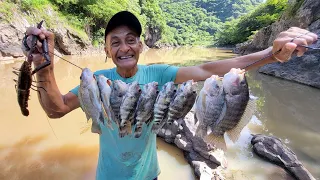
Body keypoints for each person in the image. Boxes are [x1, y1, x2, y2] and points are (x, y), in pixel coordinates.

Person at [24, 11, 318, 180]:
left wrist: (270, 54)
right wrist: (42, 63)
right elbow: (57, 109)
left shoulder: (159, 74)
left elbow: (206, 69)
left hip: (150, 174)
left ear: (141, 46)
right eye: (115, 42)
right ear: (106, 50)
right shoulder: (98, 81)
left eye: (131, 40)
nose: (124, 47)